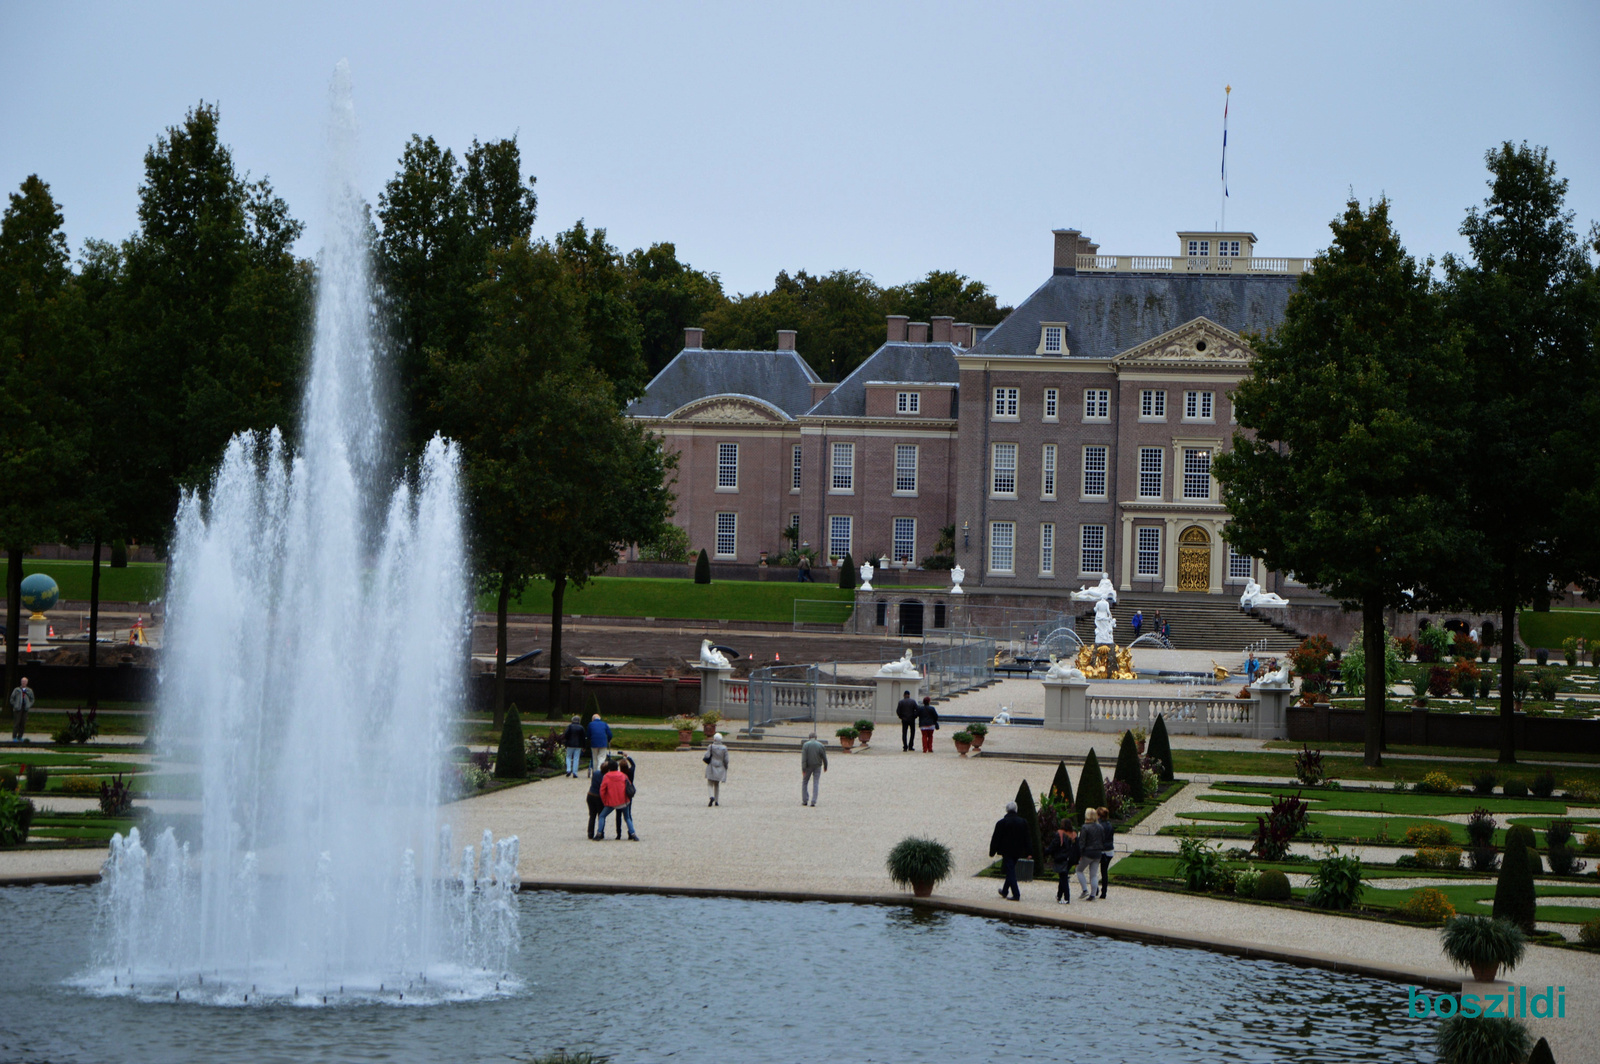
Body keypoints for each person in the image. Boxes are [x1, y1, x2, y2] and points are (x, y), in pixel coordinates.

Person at [988, 800, 1033, 902]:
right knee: (1011, 869)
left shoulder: (1001, 823)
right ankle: (1004, 891)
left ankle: (1016, 894)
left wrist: (992, 852)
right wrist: (1029, 852)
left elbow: (995, 838)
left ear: (1007, 810)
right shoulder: (1023, 822)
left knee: (1011, 871)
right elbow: (1028, 838)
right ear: (1016, 810)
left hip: (1006, 851)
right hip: (1018, 851)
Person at [596, 757, 638, 841]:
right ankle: (633, 834)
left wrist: (605, 801)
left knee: (602, 816)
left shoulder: (606, 776)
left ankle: (599, 833)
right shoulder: (623, 775)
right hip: (623, 801)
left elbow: (602, 790)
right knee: (627, 818)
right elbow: (629, 786)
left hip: (611, 802)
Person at [1045, 823, 1081, 903]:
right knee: (1063, 877)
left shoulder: (1060, 834)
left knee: (1063, 878)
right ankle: (1059, 895)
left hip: (1062, 858)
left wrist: (1045, 852)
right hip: (1071, 859)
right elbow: (1078, 848)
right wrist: (1077, 859)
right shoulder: (1074, 835)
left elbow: (1053, 846)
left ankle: (1066, 898)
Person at [1076, 808, 1105, 900]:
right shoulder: (1100, 827)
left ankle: (1085, 890)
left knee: (1079, 870)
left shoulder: (1085, 827)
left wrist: (1079, 854)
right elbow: (1103, 839)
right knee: (1093, 874)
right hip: (1097, 853)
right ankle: (1092, 895)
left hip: (1088, 853)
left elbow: (1082, 842)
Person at [610, 751, 637, 839]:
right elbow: (633, 765)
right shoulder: (630, 772)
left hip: (620, 794)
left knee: (618, 815)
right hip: (628, 794)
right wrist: (627, 756)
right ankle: (630, 833)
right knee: (628, 815)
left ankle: (618, 834)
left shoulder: (619, 774)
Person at [800, 732, 828, 806]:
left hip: (808, 766)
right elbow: (824, 757)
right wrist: (825, 766)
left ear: (809, 738)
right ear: (816, 738)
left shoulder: (805, 745)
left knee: (805, 782)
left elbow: (804, 758)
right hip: (817, 766)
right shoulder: (821, 745)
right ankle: (813, 801)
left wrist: (803, 769)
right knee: (816, 783)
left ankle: (805, 800)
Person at [585, 759, 609, 839]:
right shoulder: (606, 777)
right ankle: (600, 832)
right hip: (599, 797)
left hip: (590, 795)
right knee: (601, 815)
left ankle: (590, 833)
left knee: (592, 815)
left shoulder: (595, 773)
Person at [704, 732, 729, 806]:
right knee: (717, 784)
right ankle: (717, 800)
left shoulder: (711, 746)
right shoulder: (724, 748)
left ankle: (711, 796)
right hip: (720, 766)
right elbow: (726, 759)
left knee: (710, 783)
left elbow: (707, 755)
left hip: (712, 765)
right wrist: (726, 766)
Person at [1097, 805, 1114, 898]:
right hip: (1110, 850)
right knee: (1104, 872)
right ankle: (1104, 892)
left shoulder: (1099, 826)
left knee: (1094, 869)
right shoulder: (1110, 824)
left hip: (1102, 851)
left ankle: (1095, 889)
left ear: (1099, 815)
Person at [9, 676, 33, 742]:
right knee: (17, 723)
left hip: (25, 708)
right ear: (21, 682)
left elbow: (32, 699)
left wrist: (29, 705)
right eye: (22, 681)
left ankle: (20, 736)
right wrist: (15, 705)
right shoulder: (16, 690)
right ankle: (14, 736)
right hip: (18, 709)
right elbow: (12, 699)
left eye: (25, 681)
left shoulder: (29, 691)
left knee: (23, 723)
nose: (24, 682)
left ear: (27, 682)